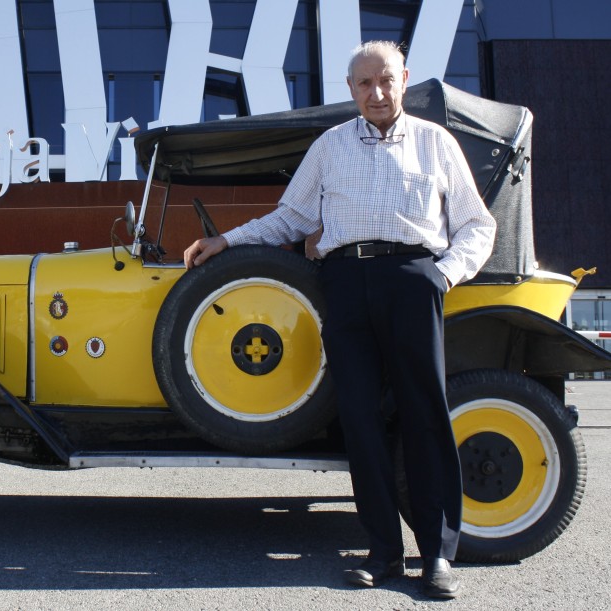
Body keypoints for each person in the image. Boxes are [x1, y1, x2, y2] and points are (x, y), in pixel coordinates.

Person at [183, 40, 496, 600]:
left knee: (425, 415)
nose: (376, 93)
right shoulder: (328, 147)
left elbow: (478, 224)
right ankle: (382, 554)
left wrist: (443, 275)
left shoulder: (436, 143)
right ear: (350, 89)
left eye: (386, 81)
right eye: (364, 84)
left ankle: (438, 555)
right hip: (346, 284)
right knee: (359, 418)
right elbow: (291, 217)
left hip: (414, 277)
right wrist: (226, 240)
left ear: (404, 79)